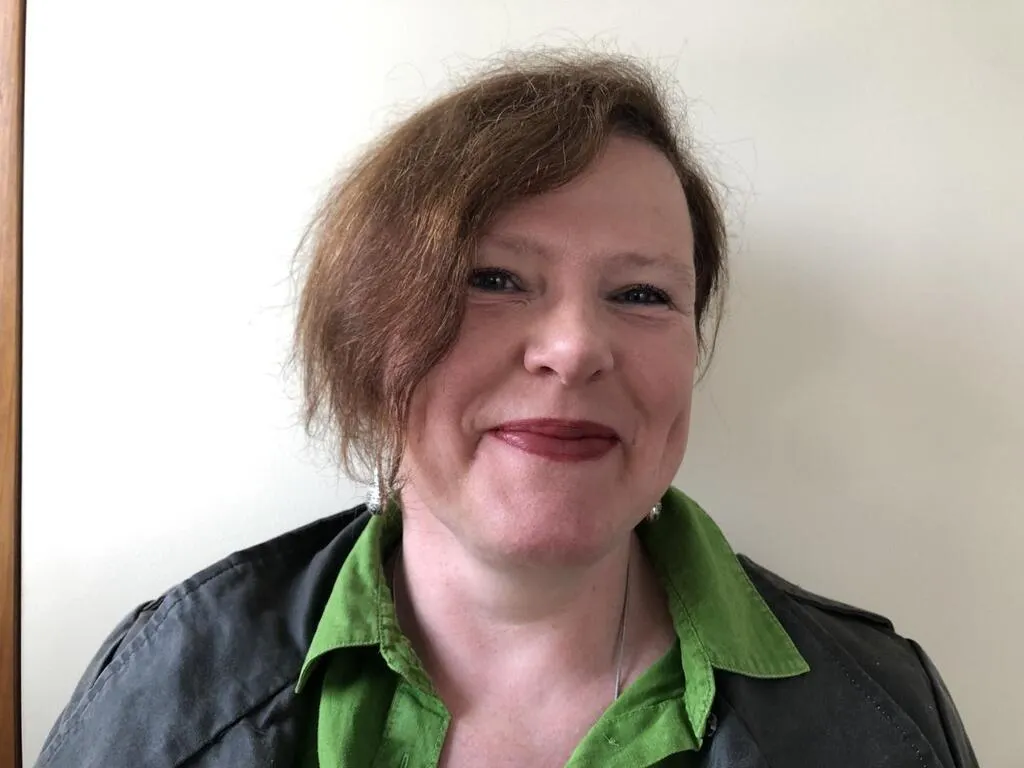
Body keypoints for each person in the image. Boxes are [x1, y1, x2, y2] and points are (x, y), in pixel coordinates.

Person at [35, 51, 977, 768]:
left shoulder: (883, 715)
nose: (573, 348)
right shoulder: (165, 695)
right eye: (494, 279)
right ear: (369, 334)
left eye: (643, 294)